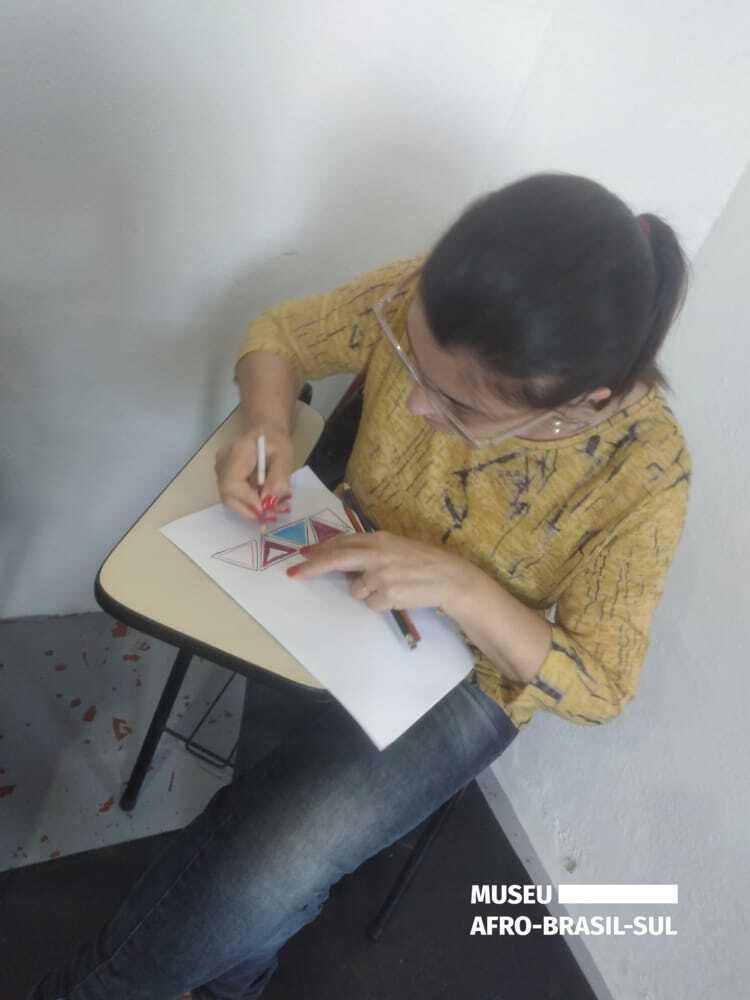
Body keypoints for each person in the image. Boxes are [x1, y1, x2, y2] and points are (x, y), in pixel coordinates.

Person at [30, 171, 691, 999]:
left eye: (460, 408)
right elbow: (281, 334)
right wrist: (267, 423)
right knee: (257, 859)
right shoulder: (422, 294)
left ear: (582, 402)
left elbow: (600, 686)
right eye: (409, 358)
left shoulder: (646, 471)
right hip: (335, 553)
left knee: (260, 864)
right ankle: (236, 985)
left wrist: (463, 588)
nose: (411, 404)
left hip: (470, 673)